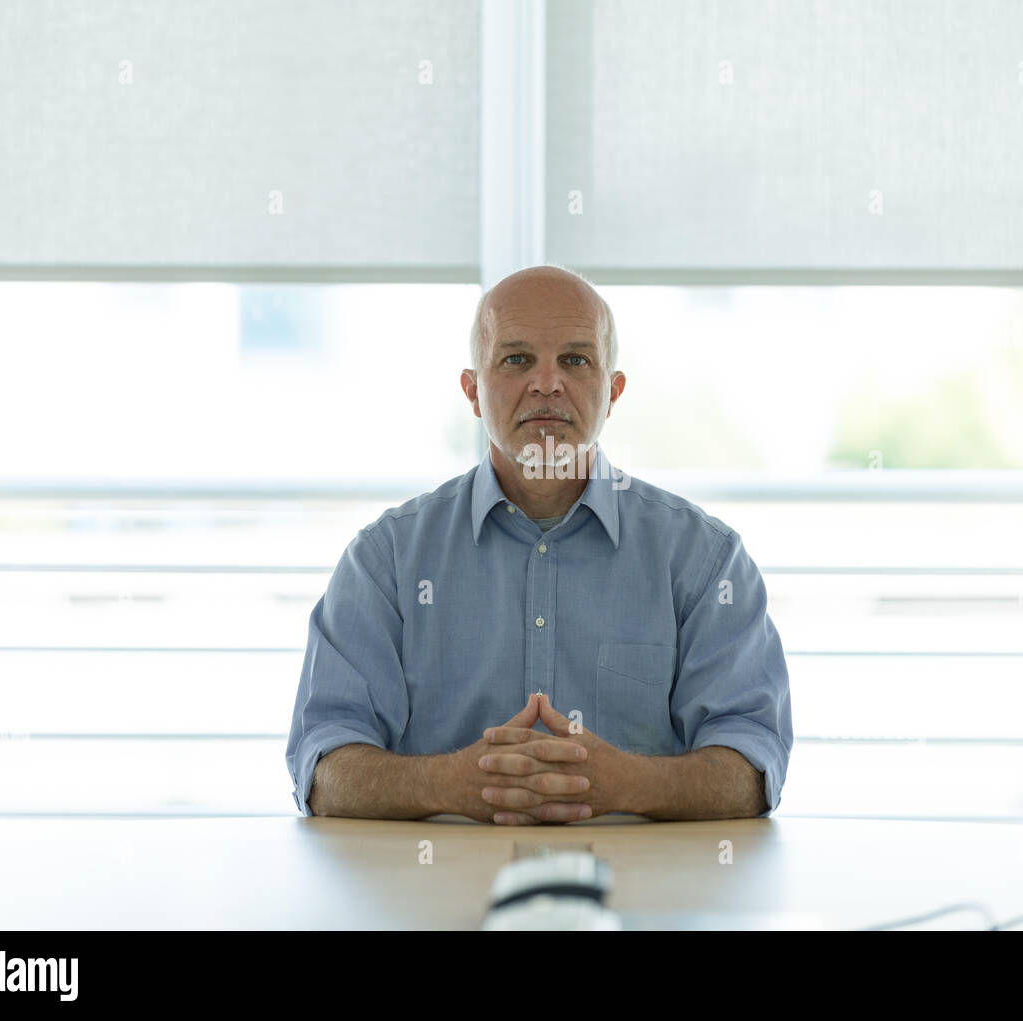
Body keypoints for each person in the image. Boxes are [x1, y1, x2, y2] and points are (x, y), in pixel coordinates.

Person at [285, 264, 792, 824]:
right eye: (517, 359)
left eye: (575, 360)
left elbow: (753, 769)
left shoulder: (706, 561)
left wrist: (626, 784)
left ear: (613, 391)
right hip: (433, 901)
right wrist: (450, 784)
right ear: (473, 390)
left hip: (649, 902)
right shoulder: (386, 561)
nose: (547, 383)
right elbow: (323, 769)